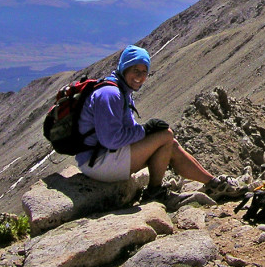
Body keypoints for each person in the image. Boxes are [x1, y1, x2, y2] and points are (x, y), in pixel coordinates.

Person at [75, 45, 244, 202]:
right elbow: (110, 139)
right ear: (125, 67)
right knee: (165, 136)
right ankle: (156, 191)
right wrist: (145, 131)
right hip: (97, 162)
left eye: (144, 71)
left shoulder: (121, 89)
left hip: (104, 157)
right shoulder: (110, 94)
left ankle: (213, 183)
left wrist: (145, 132)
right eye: (135, 70)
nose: (140, 77)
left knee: (169, 142)